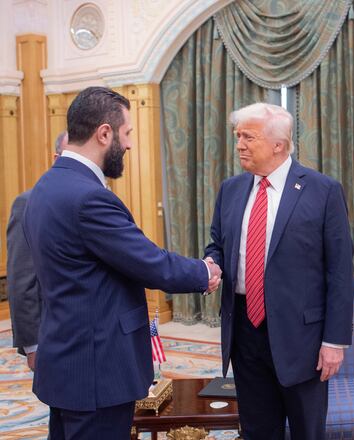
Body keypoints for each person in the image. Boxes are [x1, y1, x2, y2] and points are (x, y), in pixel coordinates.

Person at [23, 87, 222, 439]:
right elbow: (149, 263)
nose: (129, 144)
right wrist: (204, 272)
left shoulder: (44, 187)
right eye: (127, 133)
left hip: (67, 362)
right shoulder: (89, 198)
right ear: (104, 133)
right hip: (97, 369)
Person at [204, 102, 354, 439]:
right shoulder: (231, 189)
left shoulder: (323, 191)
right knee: (257, 430)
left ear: (278, 144)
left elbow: (340, 272)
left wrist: (335, 341)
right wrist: (212, 263)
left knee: (306, 430)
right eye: (237, 136)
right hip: (244, 331)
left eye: (248, 137)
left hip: (302, 338)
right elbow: (217, 243)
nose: (239, 144)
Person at [7, 131, 67, 371]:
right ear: (56, 158)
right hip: (52, 335)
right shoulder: (28, 203)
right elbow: (21, 281)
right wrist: (33, 345)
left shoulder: (100, 200)